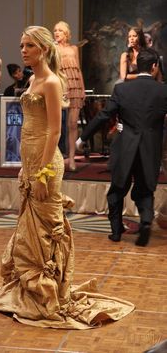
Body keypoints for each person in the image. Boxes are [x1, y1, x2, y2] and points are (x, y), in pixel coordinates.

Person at [0, 25, 134, 329]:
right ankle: (33, 288)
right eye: (21, 45)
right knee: (30, 228)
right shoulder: (31, 79)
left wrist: (41, 172)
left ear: (42, 48)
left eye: (29, 45)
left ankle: (51, 292)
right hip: (29, 163)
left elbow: (54, 131)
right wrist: (26, 167)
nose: (23, 51)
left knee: (47, 229)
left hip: (46, 166)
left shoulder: (53, 82)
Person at [76, 48, 167, 247]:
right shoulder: (163, 90)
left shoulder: (122, 89)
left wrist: (83, 137)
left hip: (125, 146)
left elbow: (103, 115)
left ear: (136, 66)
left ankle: (116, 232)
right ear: (154, 67)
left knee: (117, 190)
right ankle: (145, 222)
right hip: (150, 149)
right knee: (144, 191)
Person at [53, 21, 85, 171]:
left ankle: (72, 159)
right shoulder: (52, 48)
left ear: (66, 33)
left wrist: (82, 88)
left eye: (60, 30)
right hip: (60, 87)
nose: (56, 32)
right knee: (56, 125)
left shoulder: (74, 48)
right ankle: (56, 157)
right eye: (55, 30)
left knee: (72, 124)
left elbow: (78, 69)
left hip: (75, 87)